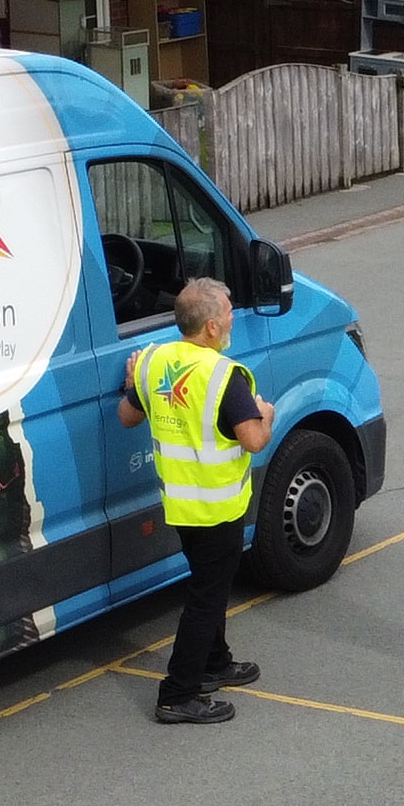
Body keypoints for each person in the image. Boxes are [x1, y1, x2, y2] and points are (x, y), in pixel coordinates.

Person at [116, 277, 272, 727]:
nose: (231, 321)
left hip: (181, 505)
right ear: (208, 328)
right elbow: (254, 440)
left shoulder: (153, 362)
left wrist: (132, 383)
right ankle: (178, 692)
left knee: (212, 583)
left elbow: (127, 417)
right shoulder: (225, 376)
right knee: (207, 595)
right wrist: (267, 415)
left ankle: (215, 662)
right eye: (226, 315)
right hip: (218, 506)